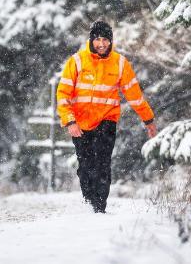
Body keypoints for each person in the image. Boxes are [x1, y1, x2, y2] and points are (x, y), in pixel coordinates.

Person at [56, 19, 158, 213]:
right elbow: (63, 94)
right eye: (98, 40)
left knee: (102, 163)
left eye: (106, 40)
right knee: (85, 166)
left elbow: (135, 96)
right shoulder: (77, 61)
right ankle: (89, 201)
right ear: (91, 40)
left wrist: (148, 120)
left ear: (111, 41)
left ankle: (99, 207)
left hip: (106, 120)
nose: (102, 44)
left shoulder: (120, 64)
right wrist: (69, 121)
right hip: (80, 123)